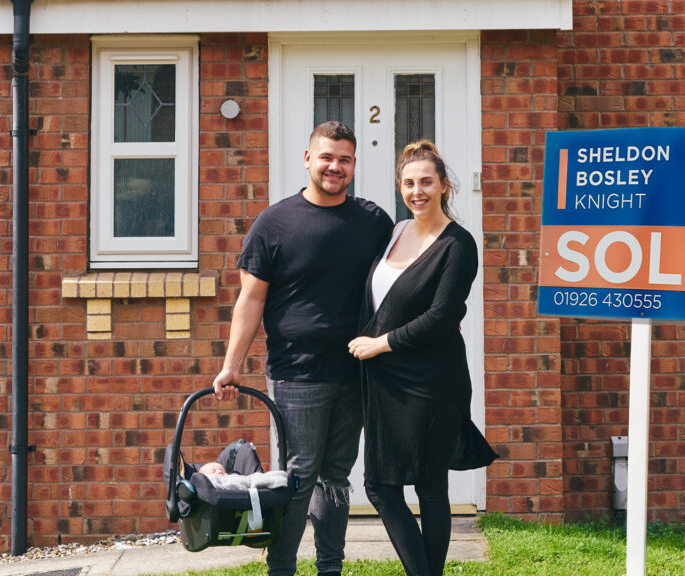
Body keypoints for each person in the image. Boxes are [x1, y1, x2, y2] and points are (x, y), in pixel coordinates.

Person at [212, 121, 394, 576]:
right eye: (327, 157)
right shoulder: (274, 223)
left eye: (344, 159)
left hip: (356, 369)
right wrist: (231, 365)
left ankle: (330, 568)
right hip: (297, 372)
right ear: (308, 158)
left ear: (354, 165)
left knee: (336, 477)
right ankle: (282, 569)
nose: (335, 167)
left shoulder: (373, 222)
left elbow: (398, 284)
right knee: (298, 475)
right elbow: (250, 299)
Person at [347, 141, 498, 576]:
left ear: (444, 185)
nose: (418, 191)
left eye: (427, 182)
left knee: (429, 487)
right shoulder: (396, 231)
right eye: (409, 183)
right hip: (385, 381)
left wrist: (380, 343)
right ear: (400, 186)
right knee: (382, 486)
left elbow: (442, 317)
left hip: (432, 381)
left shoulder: (458, 244)